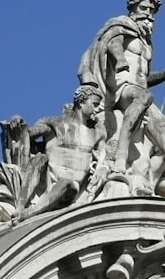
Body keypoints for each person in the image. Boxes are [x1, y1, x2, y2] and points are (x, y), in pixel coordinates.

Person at [77, 0, 165, 190]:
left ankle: (146, 183)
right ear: (133, 7)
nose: (148, 13)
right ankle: (120, 160)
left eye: (152, 10)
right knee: (145, 96)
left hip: (139, 92)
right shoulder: (122, 24)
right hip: (119, 89)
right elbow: (112, 43)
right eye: (143, 8)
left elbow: (144, 78)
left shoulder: (147, 44)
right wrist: (120, 59)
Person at [14, 85, 105, 221]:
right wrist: (18, 126)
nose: (98, 109)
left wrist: (102, 168)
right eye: (95, 104)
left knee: (66, 183)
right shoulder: (55, 124)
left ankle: (30, 212)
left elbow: (105, 155)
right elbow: (28, 134)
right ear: (81, 102)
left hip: (74, 189)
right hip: (51, 183)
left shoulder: (98, 131)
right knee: (39, 159)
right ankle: (20, 208)